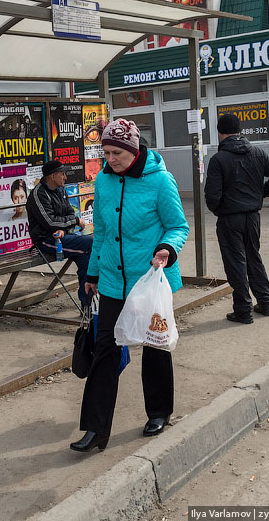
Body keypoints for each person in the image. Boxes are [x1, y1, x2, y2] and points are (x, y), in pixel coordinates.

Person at [71, 118, 189, 453]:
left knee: (154, 346)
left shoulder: (160, 181)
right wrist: (92, 275)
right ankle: (96, 430)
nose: (111, 159)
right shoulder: (105, 183)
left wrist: (166, 249)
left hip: (149, 279)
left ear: (133, 150)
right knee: (105, 351)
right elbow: (103, 234)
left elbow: (178, 226)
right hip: (111, 280)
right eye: (106, 152)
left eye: (117, 152)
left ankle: (159, 412)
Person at [204, 113, 269, 324]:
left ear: (219, 132)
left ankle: (243, 310)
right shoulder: (257, 153)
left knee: (235, 262)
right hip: (252, 216)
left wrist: (219, 209)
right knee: (253, 257)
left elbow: (212, 196)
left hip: (230, 218)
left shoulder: (218, 159)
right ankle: (265, 302)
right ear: (240, 130)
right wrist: (261, 194)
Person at [26, 160, 93, 306]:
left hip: (61, 236)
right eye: (62, 174)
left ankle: (87, 304)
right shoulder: (38, 194)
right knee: (91, 243)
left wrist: (63, 228)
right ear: (52, 176)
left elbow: (68, 212)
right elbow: (49, 222)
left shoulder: (61, 190)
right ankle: (87, 302)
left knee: (85, 257)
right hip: (45, 240)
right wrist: (74, 221)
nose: (65, 177)